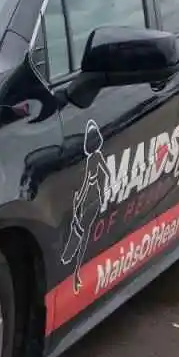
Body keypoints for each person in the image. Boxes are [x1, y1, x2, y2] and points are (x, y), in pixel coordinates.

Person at [60, 119, 112, 293]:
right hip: (93, 195)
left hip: (92, 197)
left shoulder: (94, 158)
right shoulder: (95, 158)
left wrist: (80, 200)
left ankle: (75, 271)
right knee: (82, 232)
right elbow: (104, 175)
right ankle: (75, 270)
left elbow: (98, 178)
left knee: (82, 233)